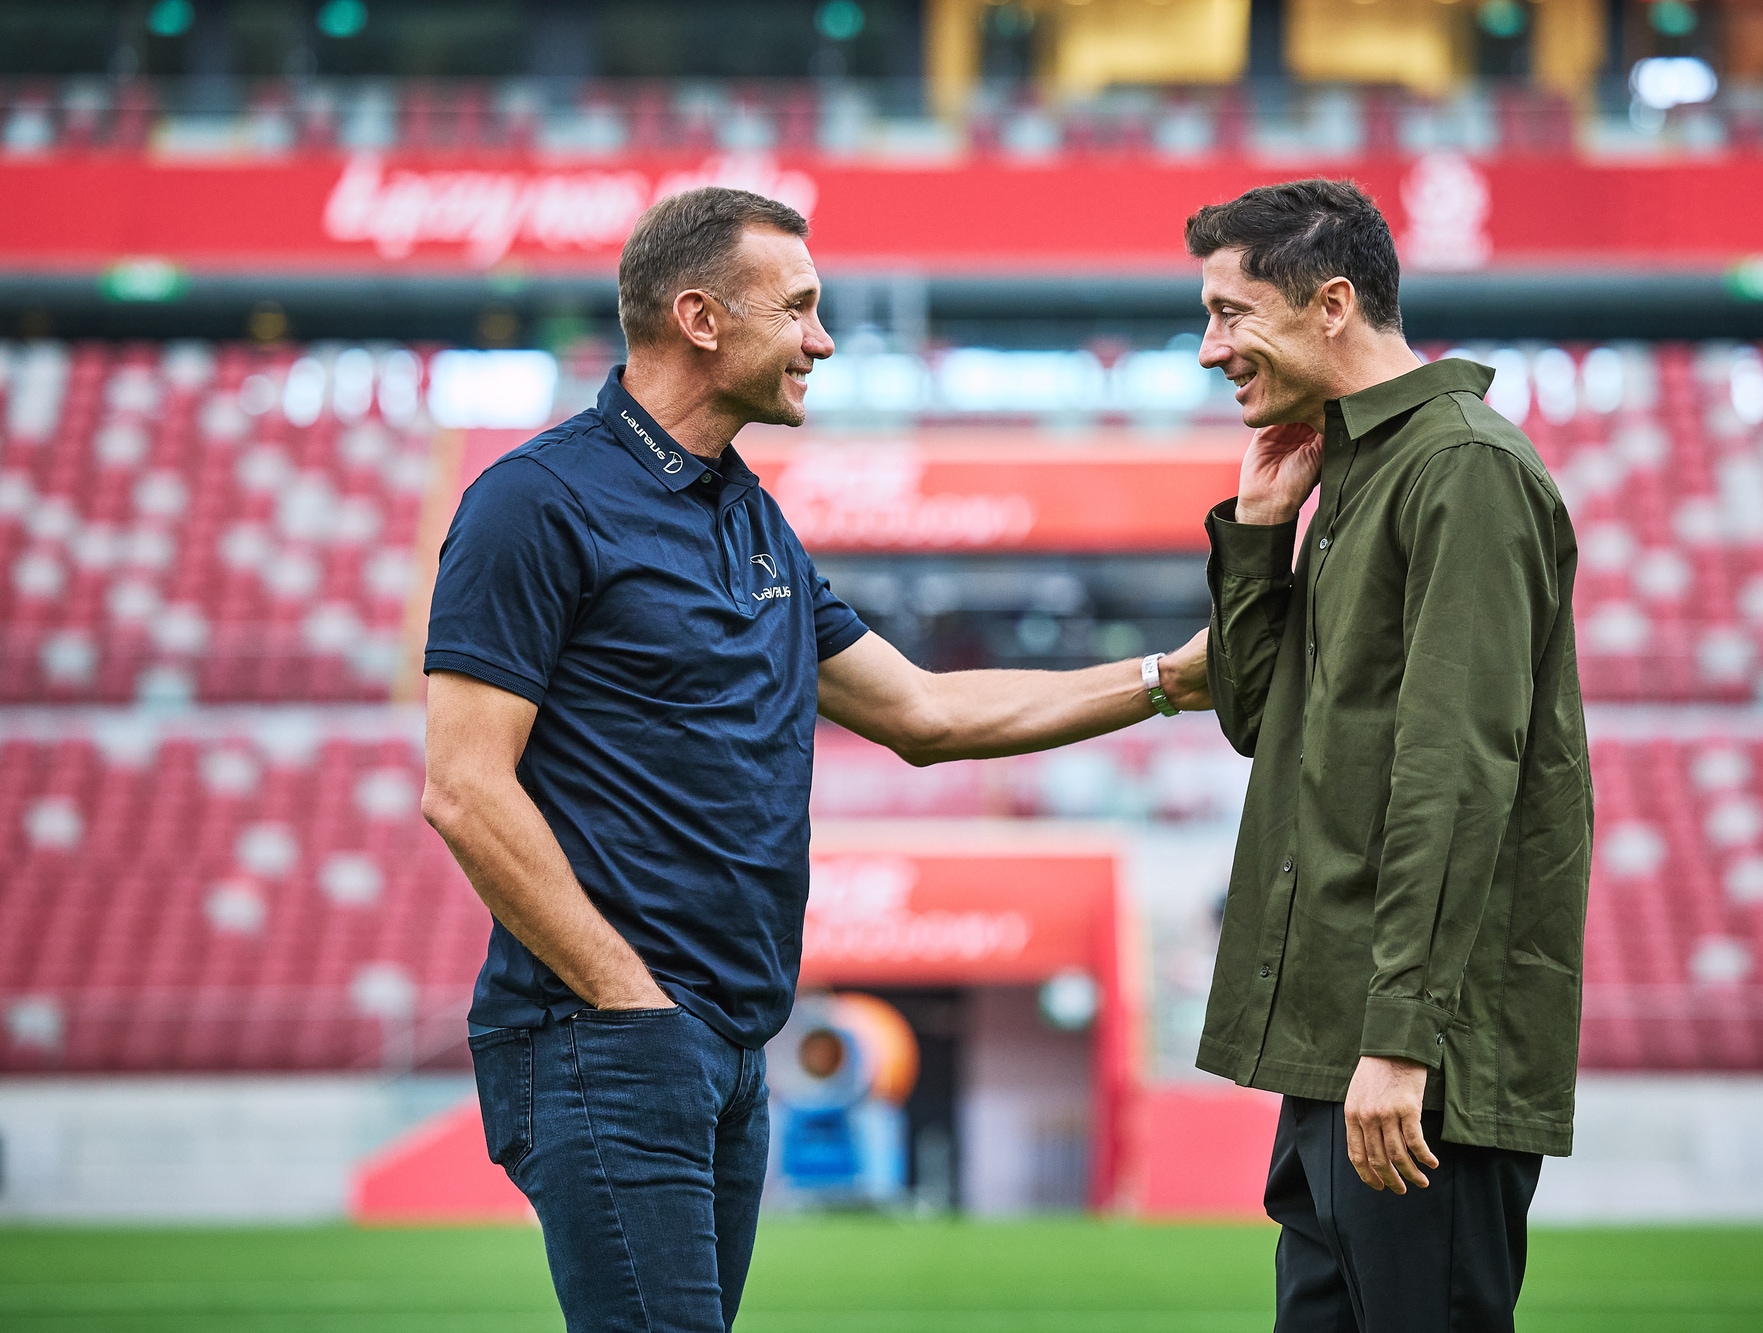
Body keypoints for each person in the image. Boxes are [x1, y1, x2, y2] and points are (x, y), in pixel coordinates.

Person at [419, 186, 1211, 1333]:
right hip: (607, 1036)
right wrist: (630, 999)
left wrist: (1165, 679)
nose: (822, 340)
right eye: (796, 308)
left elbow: (923, 712)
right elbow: (463, 787)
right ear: (700, 318)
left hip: (727, 1043)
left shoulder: (750, 520)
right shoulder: (533, 502)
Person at [1187, 179, 1592, 1332]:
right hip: (1335, 1048)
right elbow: (1260, 723)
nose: (1209, 349)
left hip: (1412, 1063)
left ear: (1329, 304)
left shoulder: (1462, 467)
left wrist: (1400, 1039)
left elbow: (1452, 775)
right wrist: (1259, 535)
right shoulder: (1350, 469)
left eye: (1228, 313)